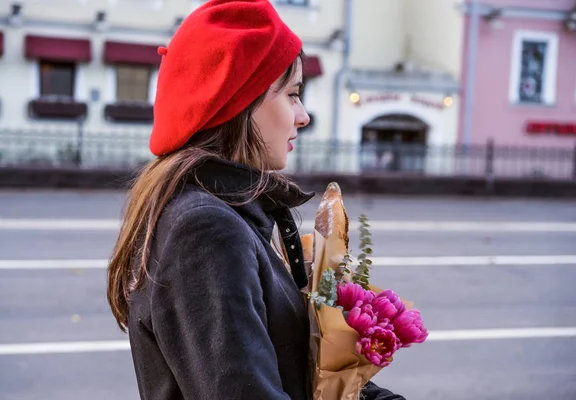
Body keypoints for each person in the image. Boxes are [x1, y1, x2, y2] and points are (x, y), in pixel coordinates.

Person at [107, 1, 406, 399]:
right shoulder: (206, 229)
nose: (303, 116)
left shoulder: (223, 211)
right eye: (293, 95)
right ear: (240, 102)